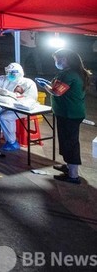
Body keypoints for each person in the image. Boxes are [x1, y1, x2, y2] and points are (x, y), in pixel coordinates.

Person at [43, 49, 89, 184]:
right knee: (66, 141)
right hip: (68, 113)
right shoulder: (74, 73)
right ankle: (69, 166)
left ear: (65, 59)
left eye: (57, 59)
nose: (56, 62)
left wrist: (44, 85)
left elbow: (57, 92)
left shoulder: (70, 74)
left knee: (70, 143)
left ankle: (73, 175)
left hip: (70, 114)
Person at [0, 62, 38, 151]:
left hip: (23, 109)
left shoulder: (28, 83)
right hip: (7, 107)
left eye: (11, 73)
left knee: (5, 117)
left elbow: (29, 100)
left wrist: (10, 94)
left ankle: (12, 142)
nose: (9, 75)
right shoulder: (5, 79)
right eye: (8, 72)